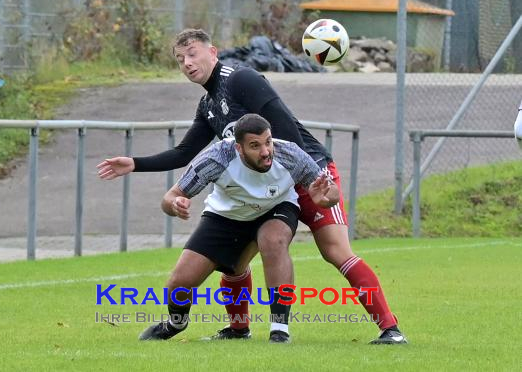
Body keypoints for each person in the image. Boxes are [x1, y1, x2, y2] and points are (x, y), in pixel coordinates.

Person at [97, 28, 407, 344]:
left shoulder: (240, 79)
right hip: (263, 183)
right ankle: (238, 329)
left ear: (212, 52)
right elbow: (185, 152)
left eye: (192, 54)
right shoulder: (208, 105)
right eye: (180, 59)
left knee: (336, 251)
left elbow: (286, 130)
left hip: (308, 173)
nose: (187, 63)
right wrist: (135, 163)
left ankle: (390, 330)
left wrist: (306, 179)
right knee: (236, 262)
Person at [138, 114, 339, 343]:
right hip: (226, 215)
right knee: (179, 284)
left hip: (275, 208)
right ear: (239, 148)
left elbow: (331, 191)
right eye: (255, 145)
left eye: (268, 142)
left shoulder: (289, 153)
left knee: (273, 241)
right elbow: (170, 197)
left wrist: (325, 198)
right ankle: (176, 323)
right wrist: (175, 205)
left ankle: (279, 330)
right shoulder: (217, 158)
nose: (265, 151)